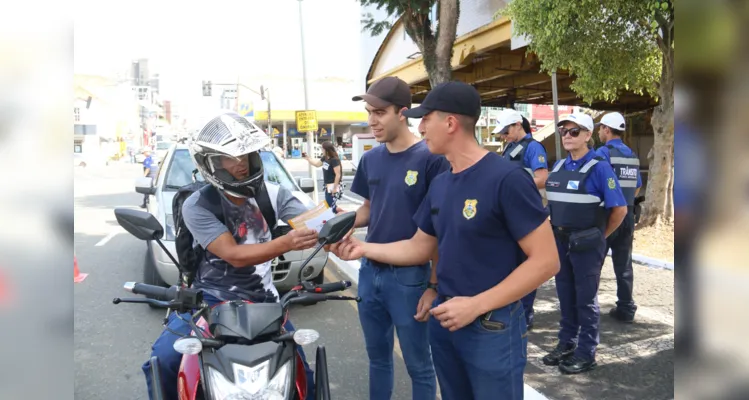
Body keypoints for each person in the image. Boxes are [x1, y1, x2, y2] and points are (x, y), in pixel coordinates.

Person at [334, 81, 560, 400]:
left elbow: (546, 260)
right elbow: (421, 246)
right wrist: (362, 248)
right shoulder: (441, 183)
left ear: (450, 123)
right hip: (446, 320)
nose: (420, 126)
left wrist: (476, 305)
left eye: (426, 118)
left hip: (491, 326)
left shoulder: (507, 179)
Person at [141, 112, 319, 400]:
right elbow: (234, 255)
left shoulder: (275, 194)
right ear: (210, 163)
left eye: (245, 155)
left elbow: (316, 223)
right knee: (163, 359)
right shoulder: (198, 205)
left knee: (301, 378)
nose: (240, 164)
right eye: (229, 158)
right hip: (209, 303)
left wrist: (341, 236)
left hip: (265, 303)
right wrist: (287, 242)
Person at [344, 76, 450, 400]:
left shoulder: (431, 159)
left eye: (380, 112)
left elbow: (439, 232)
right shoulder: (371, 159)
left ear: (402, 112)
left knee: (419, 365)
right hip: (368, 272)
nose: (372, 120)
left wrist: (433, 286)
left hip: (410, 279)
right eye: (368, 112)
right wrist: (339, 224)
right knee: (377, 359)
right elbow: (368, 209)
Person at [542, 113, 628, 374]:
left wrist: (599, 237)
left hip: (586, 245)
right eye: (564, 131)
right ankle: (567, 342)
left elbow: (619, 210)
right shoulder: (558, 167)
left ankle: (586, 351)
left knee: (585, 300)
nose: (567, 136)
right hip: (560, 242)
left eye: (574, 131)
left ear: (589, 135)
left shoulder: (600, 167)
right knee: (566, 296)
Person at [492, 108, 550, 331]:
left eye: (506, 130)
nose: (503, 135)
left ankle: (525, 313)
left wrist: (513, 186)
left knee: (527, 264)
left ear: (518, 125)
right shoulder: (509, 147)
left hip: (524, 211)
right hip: (507, 211)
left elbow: (542, 178)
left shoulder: (533, 147)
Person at [594, 112, 642, 323]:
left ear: (606, 129)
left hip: (608, 215)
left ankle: (588, 307)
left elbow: (598, 183)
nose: (598, 132)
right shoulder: (631, 155)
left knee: (594, 262)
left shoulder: (603, 152)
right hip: (628, 215)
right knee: (624, 264)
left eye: (600, 128)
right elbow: (638, 186)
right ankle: (626, 308)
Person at [303, 141, 342, 212]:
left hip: (333, 185)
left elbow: (338, 174)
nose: (321, 150)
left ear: (326, 150)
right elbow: (317, 164)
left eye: (322, 148)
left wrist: (334, 188)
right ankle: (341, 215)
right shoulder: (325, 158)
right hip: (327, 185)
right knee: (329, 205)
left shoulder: (334, 160)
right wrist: (308, 159)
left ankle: (344, 215)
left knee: (330, 206)